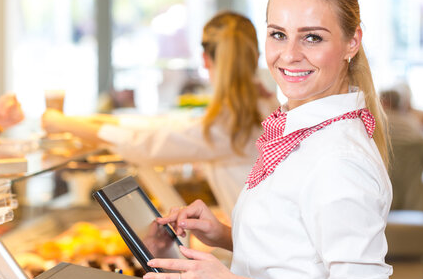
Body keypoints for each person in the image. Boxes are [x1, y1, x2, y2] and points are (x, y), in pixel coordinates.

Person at [141, 0, 392, 279]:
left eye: (312, 37)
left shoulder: (338, 156)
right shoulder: (305, 132)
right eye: (278, 34)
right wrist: (222, 235)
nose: (289, 55)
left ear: (352, 42)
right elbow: (299, 255)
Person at [42, 11, 280, 217]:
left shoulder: (231, 123)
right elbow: (169, 127)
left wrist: (62, 122)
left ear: (205, 59)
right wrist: (93, 121)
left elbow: (149, 144)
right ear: (257, 56)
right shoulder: (264, 106)